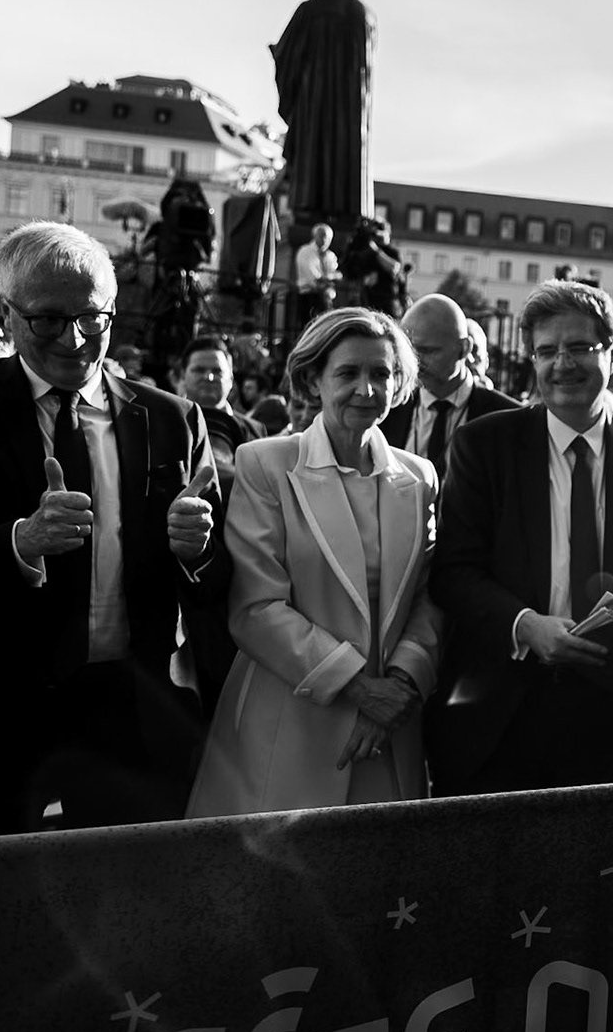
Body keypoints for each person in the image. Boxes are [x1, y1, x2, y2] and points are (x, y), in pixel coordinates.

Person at [0, 222, 228, 835]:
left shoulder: (172, 419)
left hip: (132, 714)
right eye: (48, 318)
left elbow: (215, 575)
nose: (74, 339)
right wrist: (19, 543)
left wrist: (197, 551)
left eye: (92, 318)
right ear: (7, 312)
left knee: (122, 900)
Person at [428, 280, 613, 794]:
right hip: (501, 709)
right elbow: (452, 572)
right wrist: (526, 626)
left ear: (612, 352)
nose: (562, 364)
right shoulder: (484, 444)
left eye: (579, 347)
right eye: (546, 351)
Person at [187, 310, 441, 815]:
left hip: (389, 728)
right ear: (312, 380)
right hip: (289, 720)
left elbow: (430, 598)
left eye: (382, 374)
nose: (367, 389)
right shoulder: (266, 463)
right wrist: (362, 690)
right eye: (348, 373)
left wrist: (402, 685)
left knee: (382, 885)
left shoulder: (422, 477)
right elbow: (256, 609)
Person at [270, 0, 375, 222]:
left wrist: (278, 56)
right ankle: (347, 210)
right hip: (352, 107)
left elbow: (288, 53)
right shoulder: (364, 14)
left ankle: (309, 205)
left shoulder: (310, 10)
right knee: (345, 151)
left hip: (315, 98)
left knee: (314, 147)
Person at [381, 294, 519, 480]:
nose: (415, 362)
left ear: (465, 349)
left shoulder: (508, 419)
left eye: (428, 351)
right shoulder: (387, 410)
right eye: (409, 350)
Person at [176, 335, 264, 505]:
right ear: (183, 375)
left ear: (231, 379)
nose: (209, 377)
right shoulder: (162, 422)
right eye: (199, 370)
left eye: (217, 371)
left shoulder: (256, 429)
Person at [294, 222, 340, 322]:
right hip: (309, 296)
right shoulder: (305, 251)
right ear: (314, 236)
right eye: (321, 236)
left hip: (326, 296)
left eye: (327, 237)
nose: (324, 240)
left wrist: (328, 278)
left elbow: (337, 275)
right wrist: (328, 279)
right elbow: (313, 278)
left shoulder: (330, 255)